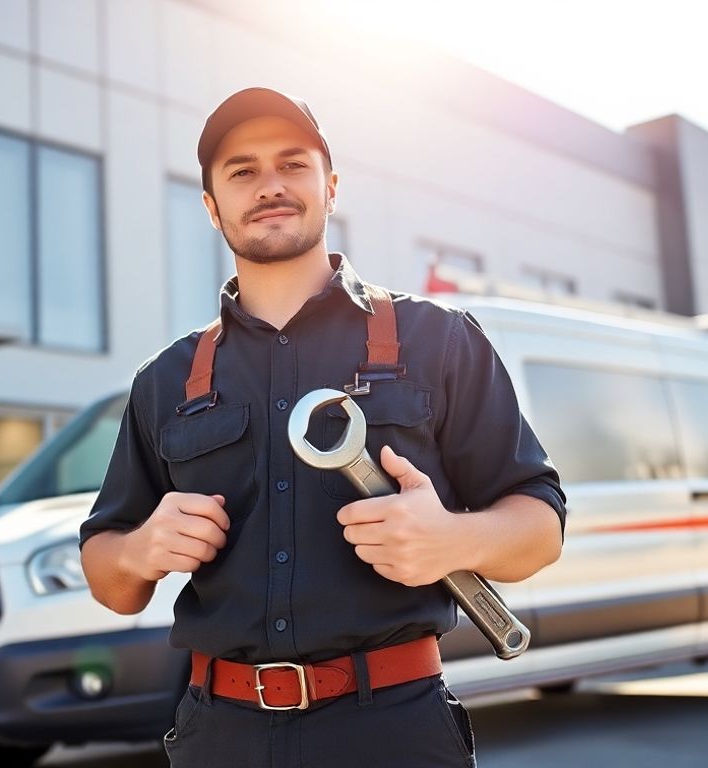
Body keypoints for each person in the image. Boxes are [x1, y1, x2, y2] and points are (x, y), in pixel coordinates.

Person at [79, 87, 566, 767]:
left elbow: (541, 528)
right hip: (219, 740)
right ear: (212, 206)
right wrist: (139, 550)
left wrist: (452, 539)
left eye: (293, 164)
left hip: (394, 735)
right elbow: (110, 578)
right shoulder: (164, 380)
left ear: (331, 187)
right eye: (242, 171)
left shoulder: (439, 340)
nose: (270, 186)